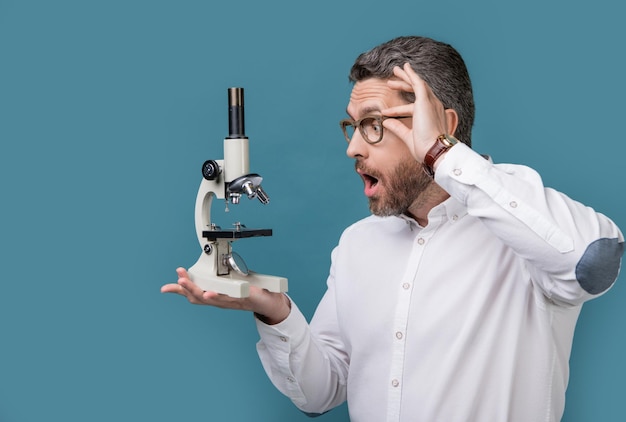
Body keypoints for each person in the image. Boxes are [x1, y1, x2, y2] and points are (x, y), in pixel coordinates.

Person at [161, 36, 624, 421]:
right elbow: (322, 391)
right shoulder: (358, 245)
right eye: (353, 126)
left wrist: (440, 155)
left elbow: (593, 259)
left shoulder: (524, 221)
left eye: (374, 126)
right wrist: (273, 311)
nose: (352, 149)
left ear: (441, 126)